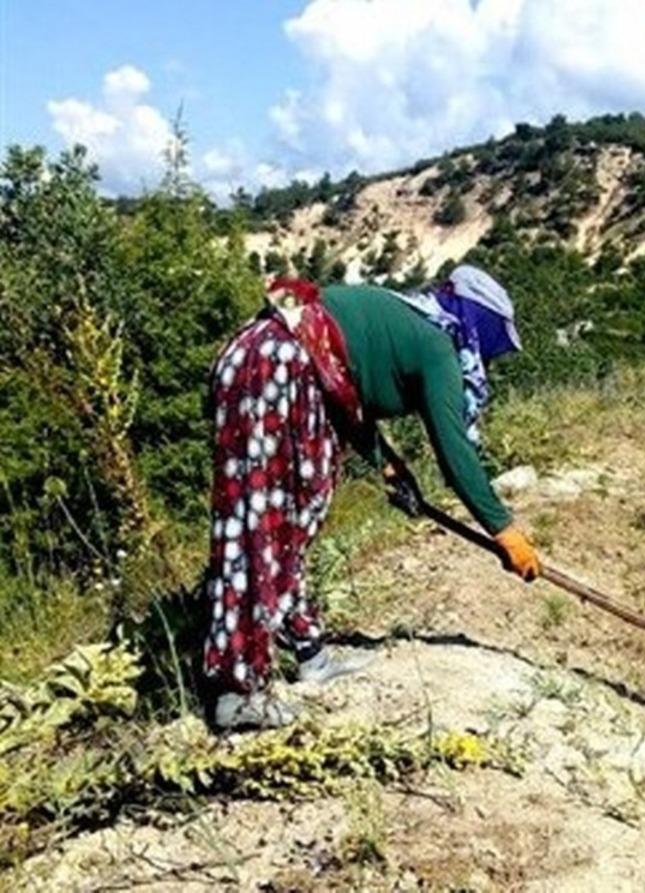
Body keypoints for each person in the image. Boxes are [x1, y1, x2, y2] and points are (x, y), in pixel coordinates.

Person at [203, 265, 540, 730]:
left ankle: (309, 653)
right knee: (263, 526)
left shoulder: (410, 322)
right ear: (479, 324)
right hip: (278, 369)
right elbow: (454, 453)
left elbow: (348, 392)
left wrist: (389, 467)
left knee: (291, 523)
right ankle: (237, 692)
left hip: (263, 361)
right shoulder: (437, 346)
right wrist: (504, 531)